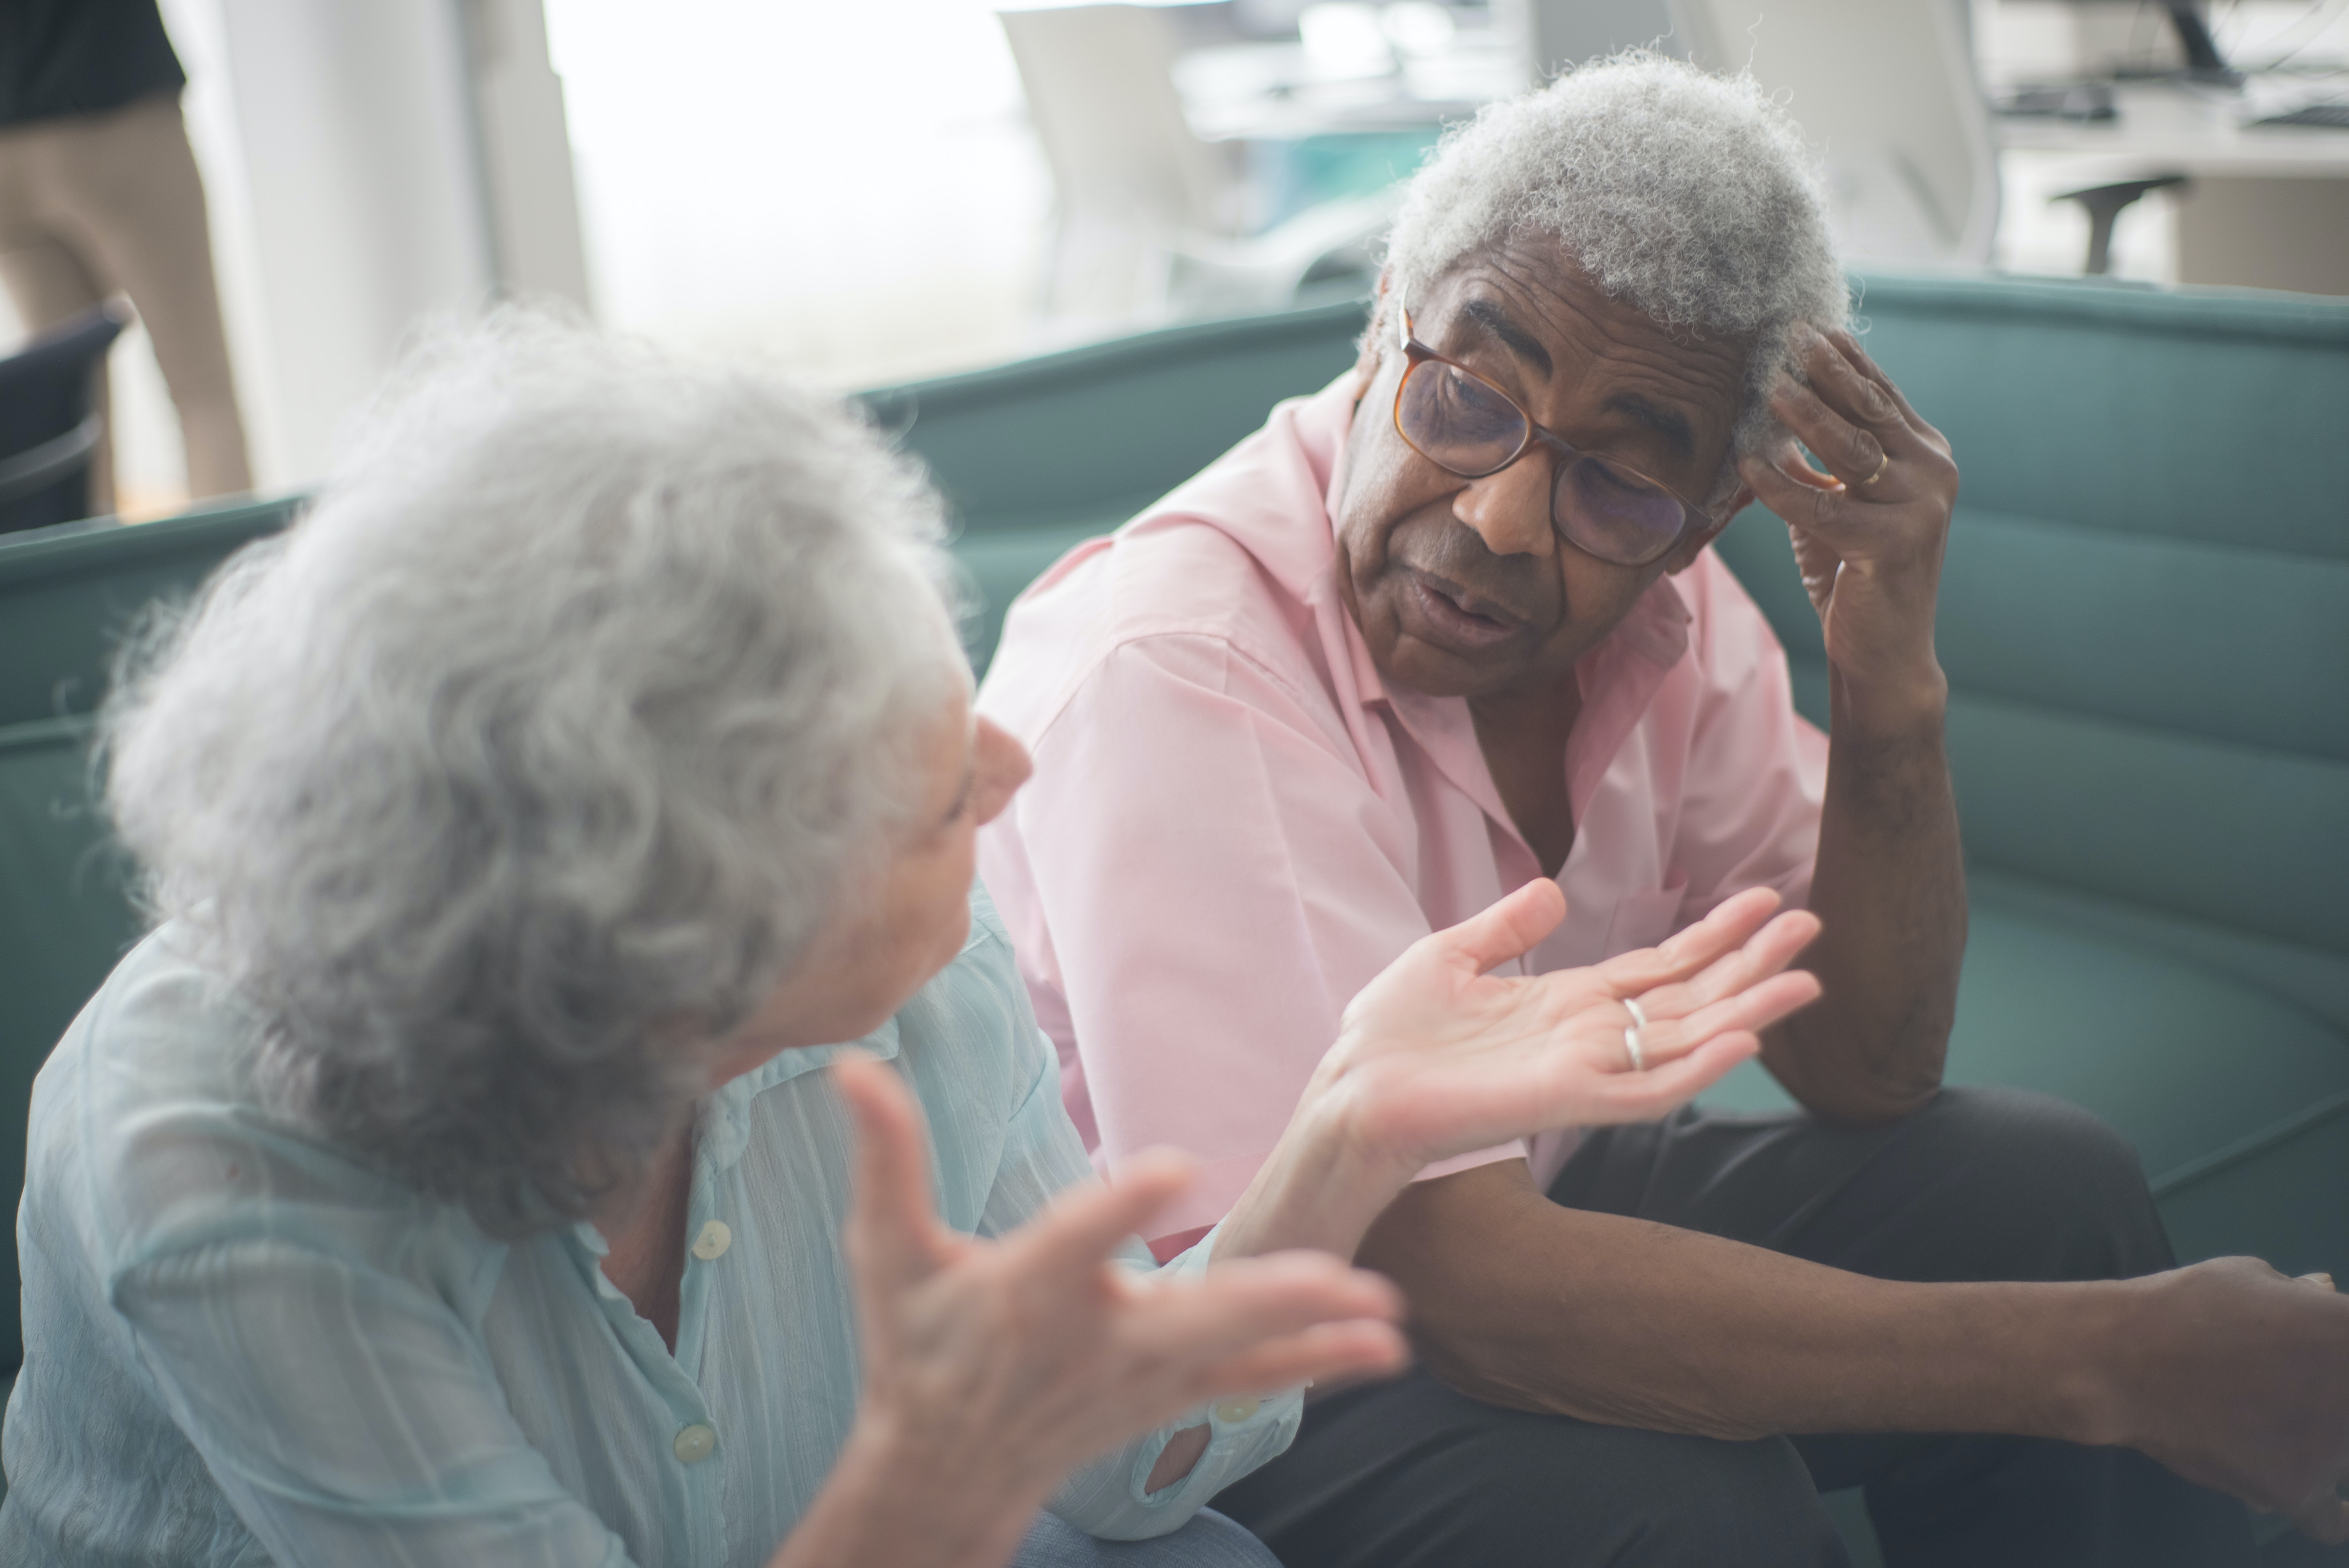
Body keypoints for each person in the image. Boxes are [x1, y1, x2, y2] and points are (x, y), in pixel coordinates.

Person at [0, 315, 1824, 1568]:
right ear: (677, 941)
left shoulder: (908, 981)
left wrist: (1343, 1123)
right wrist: (933, 1483)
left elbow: (1116, 1472)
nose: (1009, 760)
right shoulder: (213, 1159)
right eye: (921, 787)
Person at [976, 54, 2349, 1568]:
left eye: (1617, 484)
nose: (1497, 516)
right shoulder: (1180, 664)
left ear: (1710, 518)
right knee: (1688, 1513)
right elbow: (1452, 1278)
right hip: (1203, 1360)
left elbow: (1865, 1066)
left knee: (2043, 1193)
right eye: (1464, 397)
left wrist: (1887, 680)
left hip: (1494, 1199)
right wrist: (2112, 1363)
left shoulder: (1659, 605)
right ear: (1382, 328)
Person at [0, 0, 253, 512]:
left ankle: (87, 595)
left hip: (8, 142)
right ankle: (237, 590)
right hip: (111, 92)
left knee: (75, 431)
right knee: (203, 397)